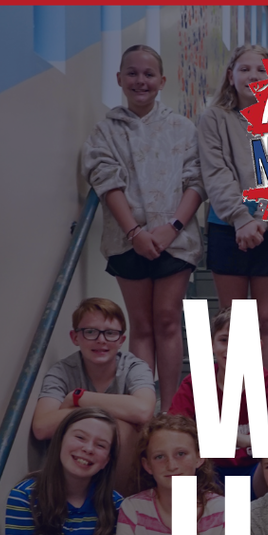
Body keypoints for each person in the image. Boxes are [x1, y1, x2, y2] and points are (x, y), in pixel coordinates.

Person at [82, 44, 205, 412]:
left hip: (176, 240)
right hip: (127, 241)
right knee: (141, 324)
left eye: (149, 74)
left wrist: (173, 227)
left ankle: (169, 411)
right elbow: (105, 180)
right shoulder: (106, 130)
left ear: (162, 81)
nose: (141, 81)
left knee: (167, 320)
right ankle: (144, 407)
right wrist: (135, 233)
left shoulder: (183, 128)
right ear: (119, 79)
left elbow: (196, 180)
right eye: (132, 73)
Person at [198, 43, 268, 372]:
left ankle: (267, 392)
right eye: (245, 69)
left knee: (266, 316)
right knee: (234, 319)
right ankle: (236, 392)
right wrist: (241, 219)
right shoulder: (213, 118)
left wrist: (263, 220)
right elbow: (216, 172)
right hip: (227, 228)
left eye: (262, 70)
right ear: (230, 75)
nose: (253, 76)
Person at [169, 307, 268, 499]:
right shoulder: (196, 382)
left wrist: (241, 440)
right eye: (224, 340)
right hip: (208, 468)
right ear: (212, 344)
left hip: (257, 469)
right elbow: (173, 430)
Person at [31, 297, 156, 495]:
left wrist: (77, 399)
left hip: (124, 469)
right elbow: (42, 427)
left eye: (110, 333)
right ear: (75, 337)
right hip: (77, 464)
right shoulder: (62, 371)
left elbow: (143, 411)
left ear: (121, 340)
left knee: (120, 429)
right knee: (93, 431)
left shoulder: (134, 367)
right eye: (90, 332)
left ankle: (120, 507)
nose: (101, 340)